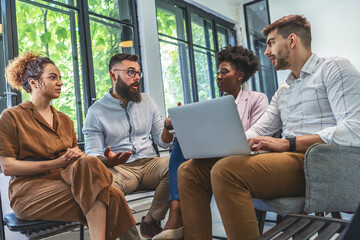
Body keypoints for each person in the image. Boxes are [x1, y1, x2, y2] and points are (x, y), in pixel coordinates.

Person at [177, 14, 360, 240]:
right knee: (190, 171)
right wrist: (221, 144)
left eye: (271, 43)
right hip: (287, 160)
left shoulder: (334, 68)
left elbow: (355, 130)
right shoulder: (285, 89)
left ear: (292, 40)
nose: (266, 52)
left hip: (318, 163)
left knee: (227, 171)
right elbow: (258, 130)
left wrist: (288, 142)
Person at [0, 52, 138, 240]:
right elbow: (8, 167)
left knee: (89, 164)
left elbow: (75, 165)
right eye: (52, 77)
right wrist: (57, 162)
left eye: (60, 78)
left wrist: (104, 161)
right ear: (33, 83)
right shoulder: (11, 117)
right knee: (110, 195)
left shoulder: (65, 121)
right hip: (29, 192)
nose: (60, 83)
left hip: (64, 182)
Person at [152, 45, 268, 240]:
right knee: (182, 144)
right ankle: (176, 214)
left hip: (244, 159)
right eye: (218, 72)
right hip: (216, 156)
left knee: (191, 167)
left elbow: (258, 135)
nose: (219, 77)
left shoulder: (257, 99)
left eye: (225, 72)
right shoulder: (215, 105)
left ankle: (177, 219)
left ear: (239, 76)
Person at [82, 53, 175, 239]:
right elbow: (92, 153)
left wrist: (167, 127)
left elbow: (162, 141)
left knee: (181, 166)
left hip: (150, 163)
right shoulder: (96, 112)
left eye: (138, 73)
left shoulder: (147, 102)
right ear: (113, 74)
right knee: (105, 190)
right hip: (120, 169)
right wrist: (106, 160)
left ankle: (151, 220)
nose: (137, 78)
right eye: (131, 72)